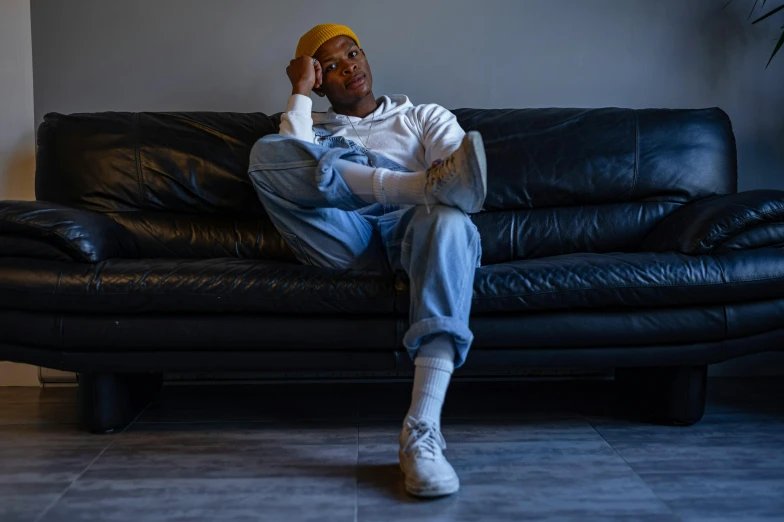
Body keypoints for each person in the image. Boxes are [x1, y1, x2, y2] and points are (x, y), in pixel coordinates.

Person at [248, 23, 487, 498]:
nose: (348, 68)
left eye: (352, 54)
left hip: (412, 229)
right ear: (318, 81)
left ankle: (422, 430)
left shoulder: (422, 115)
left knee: (452, 222)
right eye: (330, 67)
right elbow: (285, 161)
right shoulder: (312, 129)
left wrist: (424, 193)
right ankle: (410, 185)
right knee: (266, 155)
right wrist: (297, 92)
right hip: (346, 235)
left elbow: (461, 187)